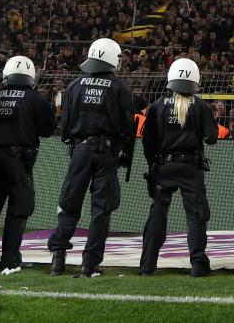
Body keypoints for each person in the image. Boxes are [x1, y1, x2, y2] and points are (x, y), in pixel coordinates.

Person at [47, 38, 135, 277]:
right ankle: (89, 263)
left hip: (79, 151)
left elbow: (65, 123)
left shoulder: (75, 85)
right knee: (101, 208)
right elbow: (128, 127)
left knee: (69, 205)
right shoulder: (120, 88)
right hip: (106, 153)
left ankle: (58, 258)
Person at [0, 56, 55, 270]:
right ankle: (9, 259)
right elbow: (47, 130)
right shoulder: (35, 99)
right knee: (19, 209)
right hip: (19, 161)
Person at [139, 58, 218, 277]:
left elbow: (148, 142)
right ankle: (198, 264)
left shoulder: (157, 106)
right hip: (191, 168)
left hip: (164, 166)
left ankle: (147, 265)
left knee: (157, 213)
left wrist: (153, 167)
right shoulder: (200, 105)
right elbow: (211, 138)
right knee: (196, 215)